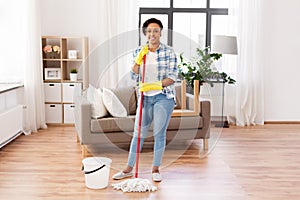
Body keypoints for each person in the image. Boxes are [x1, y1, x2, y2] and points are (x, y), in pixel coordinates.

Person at [112, 18, 177, 182]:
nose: (152, 34)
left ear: (160, 32)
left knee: (159, 134)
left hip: (163, 97)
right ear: (145, 33)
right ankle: (128, 168)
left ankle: (155, 169)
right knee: (138, 134)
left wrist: (156, 85)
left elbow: (173, 77)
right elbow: (134, 74)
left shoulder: (169, 52)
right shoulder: (139, 51)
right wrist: (138, 59)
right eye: (149, 31)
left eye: (155, 30)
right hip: (144, 98)